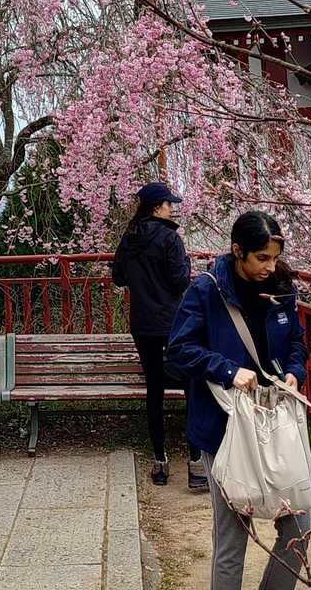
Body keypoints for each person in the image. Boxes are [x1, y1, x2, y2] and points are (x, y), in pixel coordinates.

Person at [167, 210, 311, 590]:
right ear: (237, 251)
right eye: (262, 257)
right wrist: (228, 370)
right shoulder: (207, 290)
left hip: (275, 424)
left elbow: (297, 342)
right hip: (224, 428)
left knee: (299, 527)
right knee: (232, 539)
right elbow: (179, 350)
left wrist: (294, 370)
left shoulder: (282, 288)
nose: (270, 266)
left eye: (275, 258)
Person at [112, 181, 200, 488]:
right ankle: (195, 461)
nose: (172, 208)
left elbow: (118, 277)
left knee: (154, 389)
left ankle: (160, 460)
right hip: (173, 323)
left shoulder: (130, 238)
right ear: (156, 207)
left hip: (143, 324)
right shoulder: (170, 238)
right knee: (190, 385)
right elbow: (180, 282)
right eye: (168, 204)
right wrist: (186, 263)